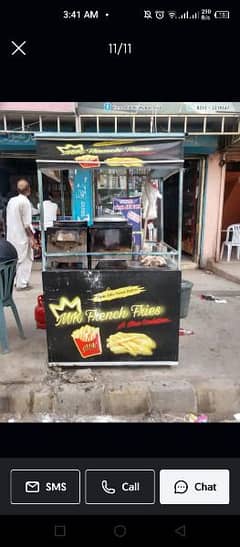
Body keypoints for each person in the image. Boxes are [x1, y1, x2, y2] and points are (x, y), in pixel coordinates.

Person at [6, 179, 35, 290]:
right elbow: (27, 224)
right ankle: (22, 284)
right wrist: (32, 238)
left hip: (12, 236)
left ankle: (15, 282)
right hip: (22, 236)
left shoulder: (11, 201)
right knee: (26, 259)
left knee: (16, 260)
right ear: (28, 190)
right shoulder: (25, 202)